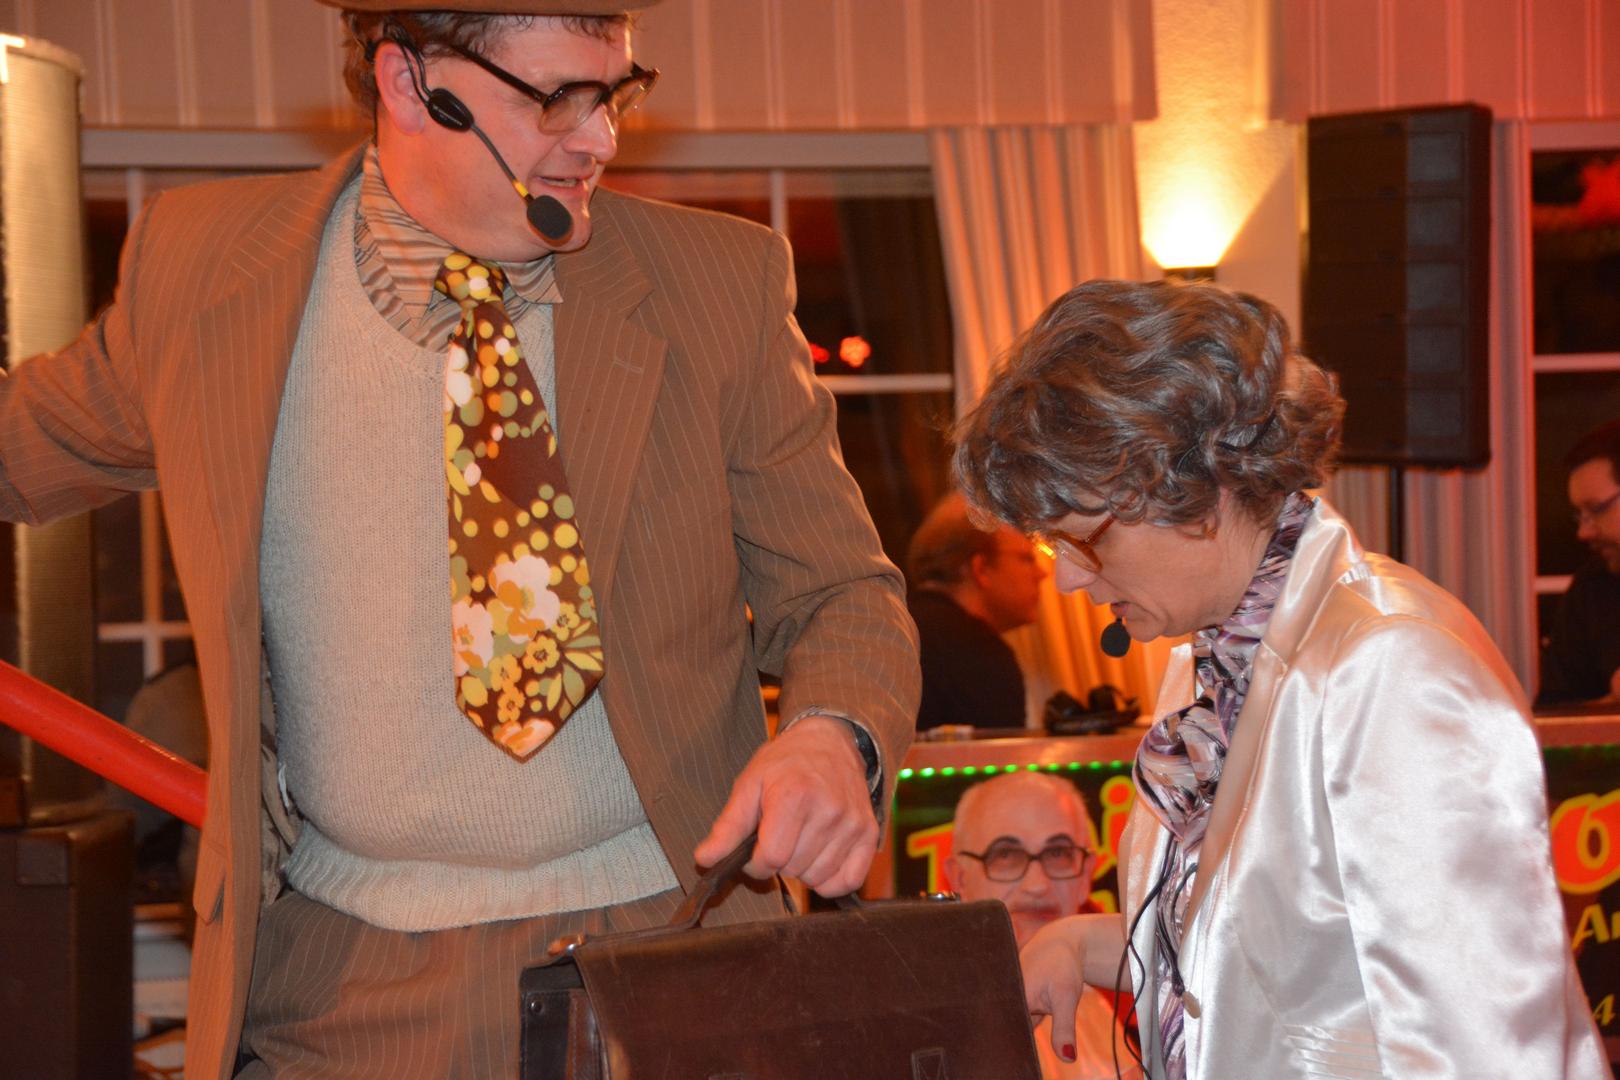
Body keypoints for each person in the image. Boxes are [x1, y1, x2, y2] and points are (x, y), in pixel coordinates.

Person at [0, 2, 919, 1076]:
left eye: (613, 94)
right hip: (342, 992)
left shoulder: (718, 282)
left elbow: (843, 591)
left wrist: (830, 735)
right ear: (410, 84)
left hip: (675, 951)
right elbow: (25, 445)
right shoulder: (208, 271)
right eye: (556, 99)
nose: (598, 139)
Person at [952, 279, 1610, 1078]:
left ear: (1196, 489)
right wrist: (1085, 941)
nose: (1068, 579)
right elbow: (1287, 971)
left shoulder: (1392, 664)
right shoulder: (1210, 657)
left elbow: (1493, 1046)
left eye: (1084, 539)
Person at [944, 772, 1139, 1080]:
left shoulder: (1130, 999)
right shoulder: (923, 1015)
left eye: (1058, 853)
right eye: (1006, 855)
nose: (1037, 885)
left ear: (1086, 876)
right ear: (959, 878)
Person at [907, 493, 1046, 730]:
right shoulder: (977, 651)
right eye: (1026, 558)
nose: (1042, 573)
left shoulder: (895, 625)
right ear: (981, 569)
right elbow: (1001, 754)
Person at [1538, 419, 1620, 705]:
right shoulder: (1592, 588)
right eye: (1580, 515)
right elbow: (1555, 715)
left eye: (1596, 509)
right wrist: (1612, 703)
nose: (1583, 532)